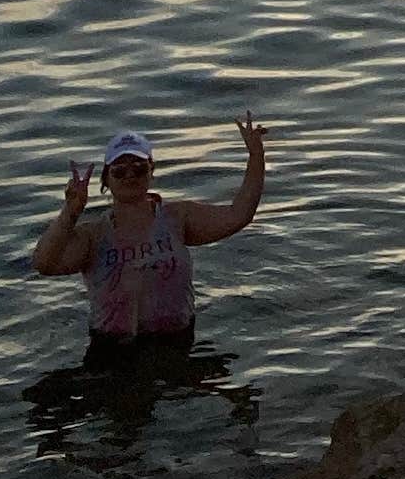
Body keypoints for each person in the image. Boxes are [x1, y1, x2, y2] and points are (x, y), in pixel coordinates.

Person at [32, 119, 266, 344]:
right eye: (120, 171)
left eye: (139, 168)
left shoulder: (177, 218)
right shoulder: (93, 235)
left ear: (151, 172)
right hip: (111, 352)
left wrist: (256, 156)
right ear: (106, 180)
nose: (130, 175)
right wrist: (70, 213)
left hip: (178, 345)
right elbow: (45, 264)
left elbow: (239, 215)